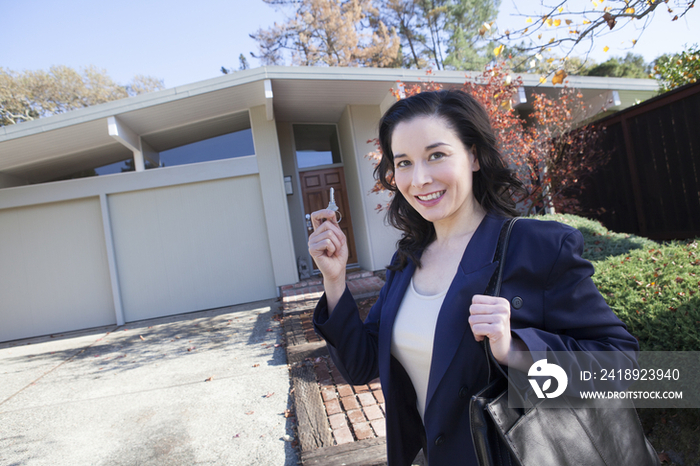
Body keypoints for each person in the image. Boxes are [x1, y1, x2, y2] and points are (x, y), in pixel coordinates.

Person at [307, 89, 639, 466]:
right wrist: (334, 281)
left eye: (436, 155)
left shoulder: (537, 247)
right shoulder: (407, 259)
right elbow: (361, 365)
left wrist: (517, 349)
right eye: (403, 163)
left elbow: (622, 364)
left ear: (474, 156)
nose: (419, 179)